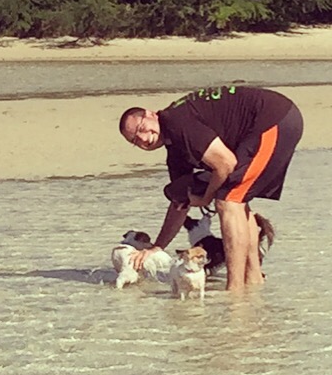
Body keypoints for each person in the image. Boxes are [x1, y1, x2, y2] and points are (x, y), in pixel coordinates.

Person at [118, 85, 303, 292]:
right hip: (274, 120)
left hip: (273, 119)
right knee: (236, 198)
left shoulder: (177, 121)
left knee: (228, 200)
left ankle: (235, 292)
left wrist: (206, 197)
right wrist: (157, 247)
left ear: (151, 114)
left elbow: (226, 163)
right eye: (135, 140)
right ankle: (253, 281)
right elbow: (180, 203)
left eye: (141, 129)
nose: (143, 139)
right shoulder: (175, 147)